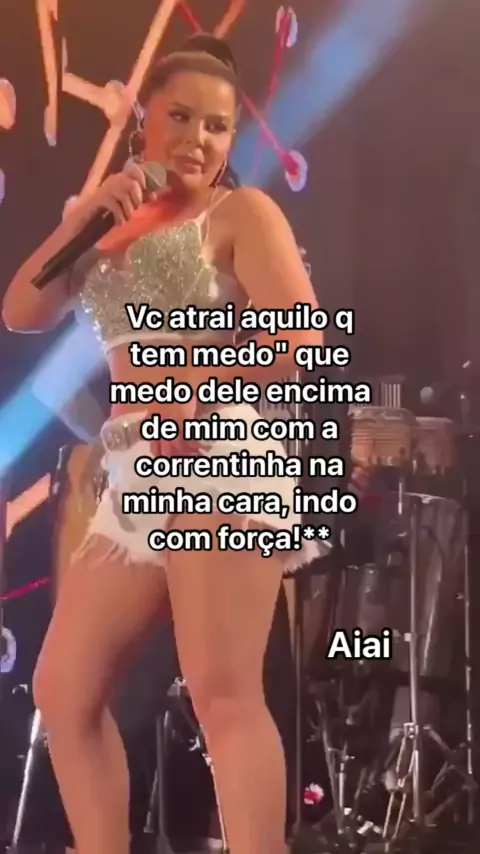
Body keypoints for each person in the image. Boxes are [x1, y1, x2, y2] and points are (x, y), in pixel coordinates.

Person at [2, 33, 322, 854]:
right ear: (145, 117)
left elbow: (299, 337)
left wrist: (203, 398)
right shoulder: (107, 223)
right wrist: (87, 216)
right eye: (181, 117)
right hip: (138, 469)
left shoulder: (241, 213)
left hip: (218, 458)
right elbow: (21, 310)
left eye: (218, 126)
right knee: (64, 690)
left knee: (223, 693)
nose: (199, 140)